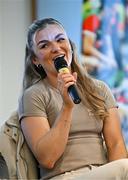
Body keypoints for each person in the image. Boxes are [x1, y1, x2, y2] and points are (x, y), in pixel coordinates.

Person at [18, 18, 128, 180]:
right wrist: (67, 107)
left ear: (70, 46)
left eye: (60, 39)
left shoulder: (99, 89)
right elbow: (47, 158)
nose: (56, 48)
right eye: (44, 45)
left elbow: (115, 144)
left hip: (105, 173)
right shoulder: (33, 95)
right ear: (35, 60)